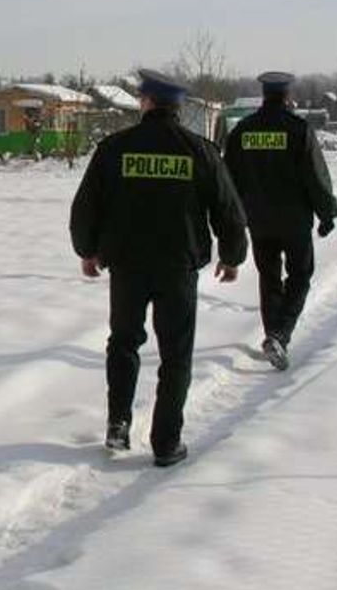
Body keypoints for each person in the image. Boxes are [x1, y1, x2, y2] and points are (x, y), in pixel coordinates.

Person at [70, 70, 248, 466]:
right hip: (178, 268)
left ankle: (118, 424)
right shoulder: (199, 150)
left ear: (146, 102)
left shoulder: (115, 148)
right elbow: (227, 208)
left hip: (128, 266)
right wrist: (232, 255)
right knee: (175, 354)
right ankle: (166, 443)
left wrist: (87, 249)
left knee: (123, 342)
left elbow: (86, 205)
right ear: (178, 105)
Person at [222, 71, 337, 371]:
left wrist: (233, 220)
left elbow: (228, 179)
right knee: (300, 276)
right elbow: (315, 176)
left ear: (264, 95)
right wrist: (327, 213)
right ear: (287, 96)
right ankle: (279, 334)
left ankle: (273, 334)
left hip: (258, 221)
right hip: (294, 221)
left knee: (269, 277)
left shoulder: (243, 131)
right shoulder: (298, 130)